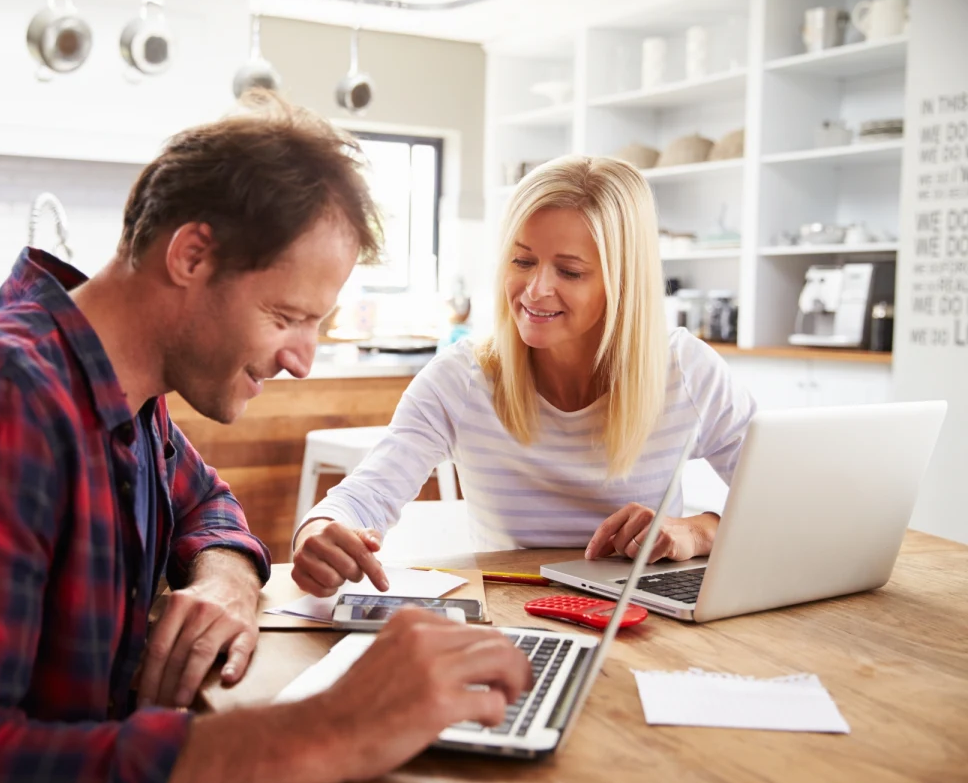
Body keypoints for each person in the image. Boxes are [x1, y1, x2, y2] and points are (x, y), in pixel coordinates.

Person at [0, 94, 531, 783]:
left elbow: (209, 502)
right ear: (191, 256)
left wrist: (226, 581)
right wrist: (324, 729)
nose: (301, 357)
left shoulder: (126, 397)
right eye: (286, 315)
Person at [293, 154, 756, 598]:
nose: (535, 290)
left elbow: (783, 507)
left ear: (624, 282)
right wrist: (320, 531)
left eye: (570, 271)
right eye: (523, 261)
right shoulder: (462, 379)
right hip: (509, 615)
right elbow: (364, 495)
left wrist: (698, 530)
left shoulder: (686, 372)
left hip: (643, 618)